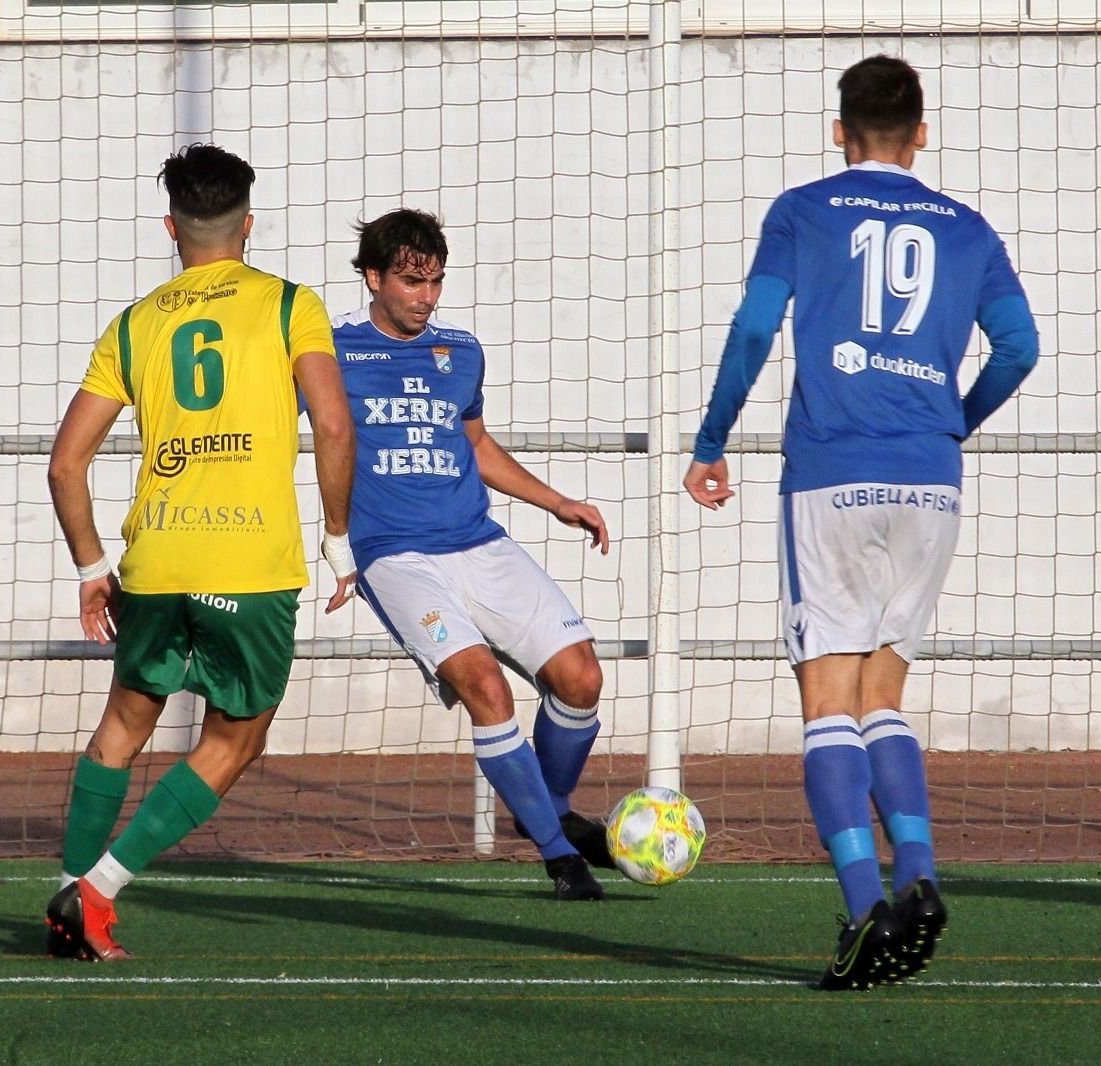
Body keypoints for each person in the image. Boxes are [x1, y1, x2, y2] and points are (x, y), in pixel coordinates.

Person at [684, 56, 1039, 989]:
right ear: (921, 133)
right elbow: (1020, 347)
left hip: (832, 474)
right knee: (883, 696)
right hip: (930, 482)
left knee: (826, 705)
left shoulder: (803, 211)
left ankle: (861, 909)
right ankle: (918, 874)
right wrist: (953, 420)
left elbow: (755, 327)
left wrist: (712, 440)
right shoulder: (968, 227)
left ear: (839, 130)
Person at [43, 143, 356, 961]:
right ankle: (96, 892)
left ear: (170, 228)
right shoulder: (290, 305)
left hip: (155, 563)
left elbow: (65, 464)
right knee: (235, 739)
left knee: (122, 726)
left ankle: (65, 898)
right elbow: (332, 424)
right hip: (249, 566)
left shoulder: (134, 324)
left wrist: (91, 568)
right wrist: (337, 539)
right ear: (248, 226)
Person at [330, 208, 615, 901]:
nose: (426, 297)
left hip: (477, 540)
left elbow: (476, 443)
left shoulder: (460, 351)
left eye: (435, 282)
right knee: (486, 688)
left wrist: (557, 501)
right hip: (394, 556)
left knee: (581, 678)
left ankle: (546, 809)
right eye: (411, 282)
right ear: (373, 278)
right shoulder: (331, 351)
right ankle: (561, 857)